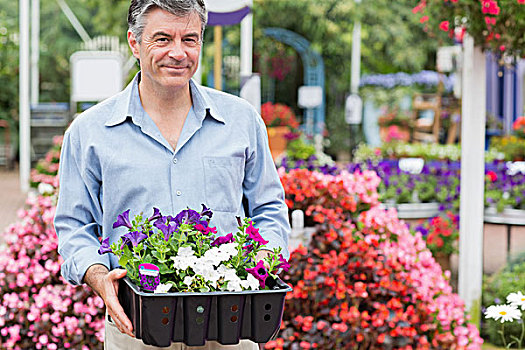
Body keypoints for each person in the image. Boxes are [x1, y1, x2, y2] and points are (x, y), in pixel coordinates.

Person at [54, 0, 291, 349]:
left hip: (229, 328)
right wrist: (99, 276)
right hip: (136, 328)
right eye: (162, 39)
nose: (177, 53)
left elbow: (269, 209)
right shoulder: (90, 132)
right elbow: (74, 227)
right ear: (135, 43)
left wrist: (259, 264)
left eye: (190, 39)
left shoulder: (241, 120)